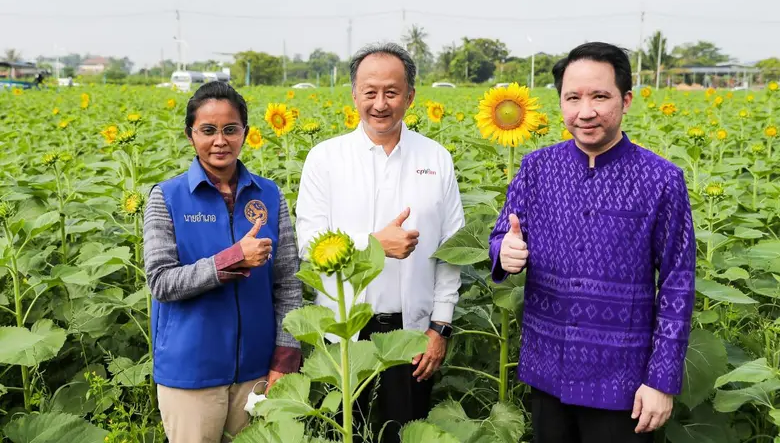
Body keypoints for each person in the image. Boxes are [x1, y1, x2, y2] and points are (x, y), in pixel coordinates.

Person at [488, 42, 695, 443]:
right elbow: (503, 234)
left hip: (623, 381)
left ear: (626, 99)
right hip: (547, 368)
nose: (585, 111)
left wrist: (663, 379)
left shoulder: (661, 180)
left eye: (600, 96)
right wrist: (505, 251)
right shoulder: (537, 168)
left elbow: (677, 283)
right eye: (573, 97)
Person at [295, 42, 465, 442]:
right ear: (354, 94)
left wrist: (440, 328)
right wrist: (374, 245)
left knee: (402, 434)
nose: (380, 103)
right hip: (344, 337)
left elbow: (451, 251)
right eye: (370, 92)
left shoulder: (436, 158)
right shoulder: (326, 159)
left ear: (410, 95)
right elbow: (308, 246)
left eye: (391, 92)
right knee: (346, 432)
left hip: (412, 336)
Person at [143, 81, 302, 443]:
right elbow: (161, 282)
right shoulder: (167, 197)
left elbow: (289, 282)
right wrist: (230, 259)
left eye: (231, 130)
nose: (220, 141)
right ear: (190, 135)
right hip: (191, 372)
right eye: (208, 130)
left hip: (258, 370)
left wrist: (286, 355)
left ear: (245, 133)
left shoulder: (270, 195)